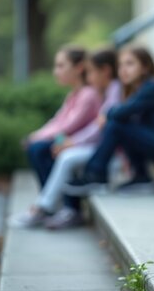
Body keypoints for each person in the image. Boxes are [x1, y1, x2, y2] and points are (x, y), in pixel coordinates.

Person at [65, 45, 154, 196]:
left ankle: (95, 174)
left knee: (116, 125)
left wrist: (107, 114)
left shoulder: (152, 87)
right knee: (120, 125)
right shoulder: (141, 88)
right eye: (120, 65)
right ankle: (140, 176)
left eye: (130, 64)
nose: (123, 70)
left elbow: (121, 112)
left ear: (145, 67)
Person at [10, 46, 102, 227]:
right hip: (69, 140)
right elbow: (58, 121)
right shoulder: (73, 94)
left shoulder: (88, 94)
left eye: (61, 66)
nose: (56, 71)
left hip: (84, 143)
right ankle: (52, 205)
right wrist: (36, 135)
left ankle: (68, 207)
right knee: (38, 147)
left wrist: (38, 138)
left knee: (42, 148)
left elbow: (70, 126)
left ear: (79, 68)